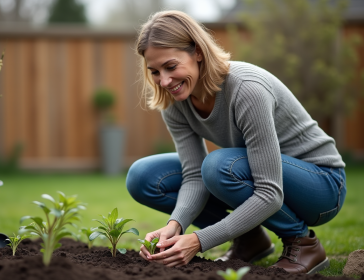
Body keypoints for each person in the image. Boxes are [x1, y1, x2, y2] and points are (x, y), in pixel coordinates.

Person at [126, 10, 346, 274]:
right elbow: (194, 175)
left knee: (219, 167)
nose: (164, 81)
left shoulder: (246, 88)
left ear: (197, 52)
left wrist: (199, 241)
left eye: (171, 66)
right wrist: (176, 225)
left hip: (322, 185)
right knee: (144, 177)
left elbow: (270, 192)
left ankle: (302, 242)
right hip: (259, 174)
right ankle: (249, 238)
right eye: (155, 71)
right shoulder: (175, 101)